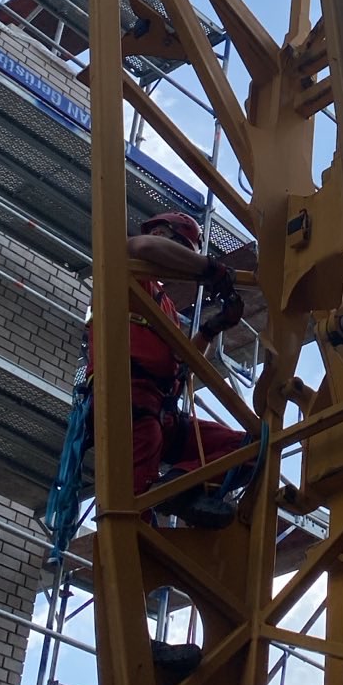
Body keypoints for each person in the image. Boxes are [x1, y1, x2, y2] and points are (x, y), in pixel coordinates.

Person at [86, 210, 248, 529]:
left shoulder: (163, 303)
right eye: (183, 251)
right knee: (132, 519)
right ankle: (161, 503)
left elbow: (182, 362)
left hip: (160, 411)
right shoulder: (124, 263)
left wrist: (213, 327)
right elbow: (144, 248)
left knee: (248, 448)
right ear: (161, 234)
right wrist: (210, 269)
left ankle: (177, 488)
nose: (181, 266)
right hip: (127, 399)